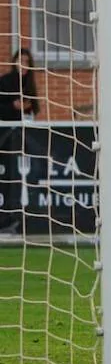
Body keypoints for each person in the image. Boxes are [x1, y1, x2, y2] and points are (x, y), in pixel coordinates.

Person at [0, 47, 37, 234]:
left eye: (27, 62)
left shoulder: (29, 83)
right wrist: (13, 106)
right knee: (5, 178)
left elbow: (35, 107)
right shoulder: (5, 81)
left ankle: (14, 218)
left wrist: (28, 107)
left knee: (17, 178)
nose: (23, 65)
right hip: (5, 136)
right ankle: (4, 218)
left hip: (22, 137)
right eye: (20, 61)